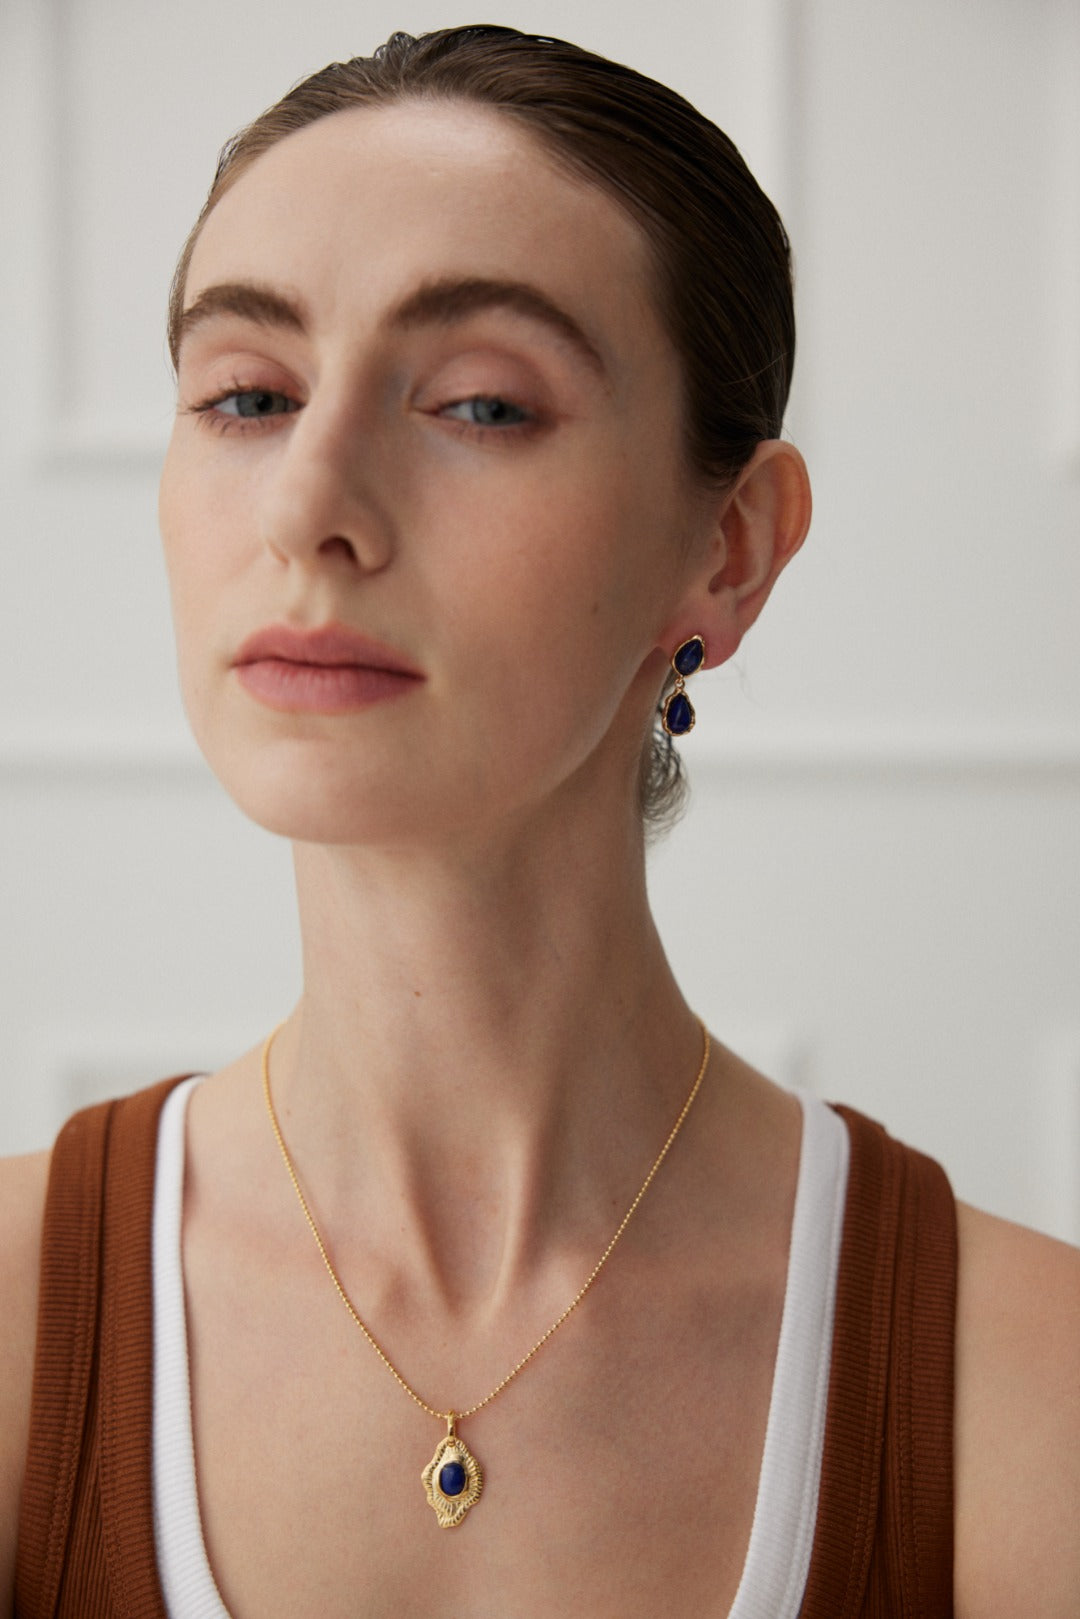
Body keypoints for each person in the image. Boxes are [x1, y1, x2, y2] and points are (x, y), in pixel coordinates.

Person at [1, 23, 1077, 1618]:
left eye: (482, 407)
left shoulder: (1025, 1391)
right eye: (246, 394)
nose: (306, 507)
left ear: (728, 549)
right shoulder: (19, 1329)